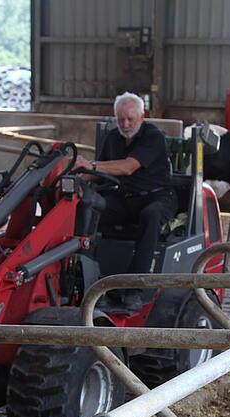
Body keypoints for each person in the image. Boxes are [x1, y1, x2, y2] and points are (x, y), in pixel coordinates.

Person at [73, 91, 175, 309]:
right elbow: (99, 171)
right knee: (88, 210)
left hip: (157, 197)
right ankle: (87, 280)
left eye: (130, 119)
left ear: (142, 116)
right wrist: (75, 175)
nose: (126, 124)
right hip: (124, 198)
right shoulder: (112, 137)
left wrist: (89, 165)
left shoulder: (153, 136)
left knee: (151, 216)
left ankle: (134, 289)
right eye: (121, 119)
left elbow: (128, 167)